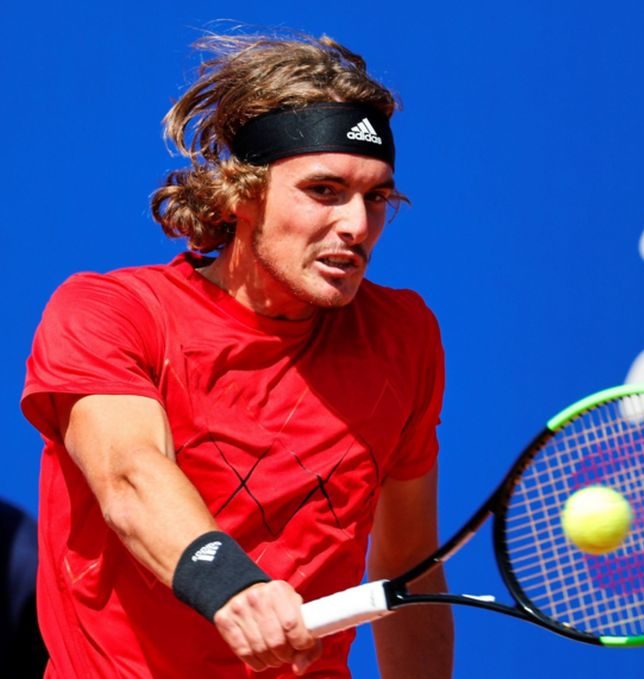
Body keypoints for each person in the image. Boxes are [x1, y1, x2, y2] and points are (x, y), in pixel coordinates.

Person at [21, 32, 453, 678]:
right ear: (241, 193)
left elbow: (408, 565)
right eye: (325, 190)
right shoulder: (110, 313)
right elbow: (130, 476)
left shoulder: (403, 334)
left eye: (376, 197)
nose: (357, 226)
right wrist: (230, 585)